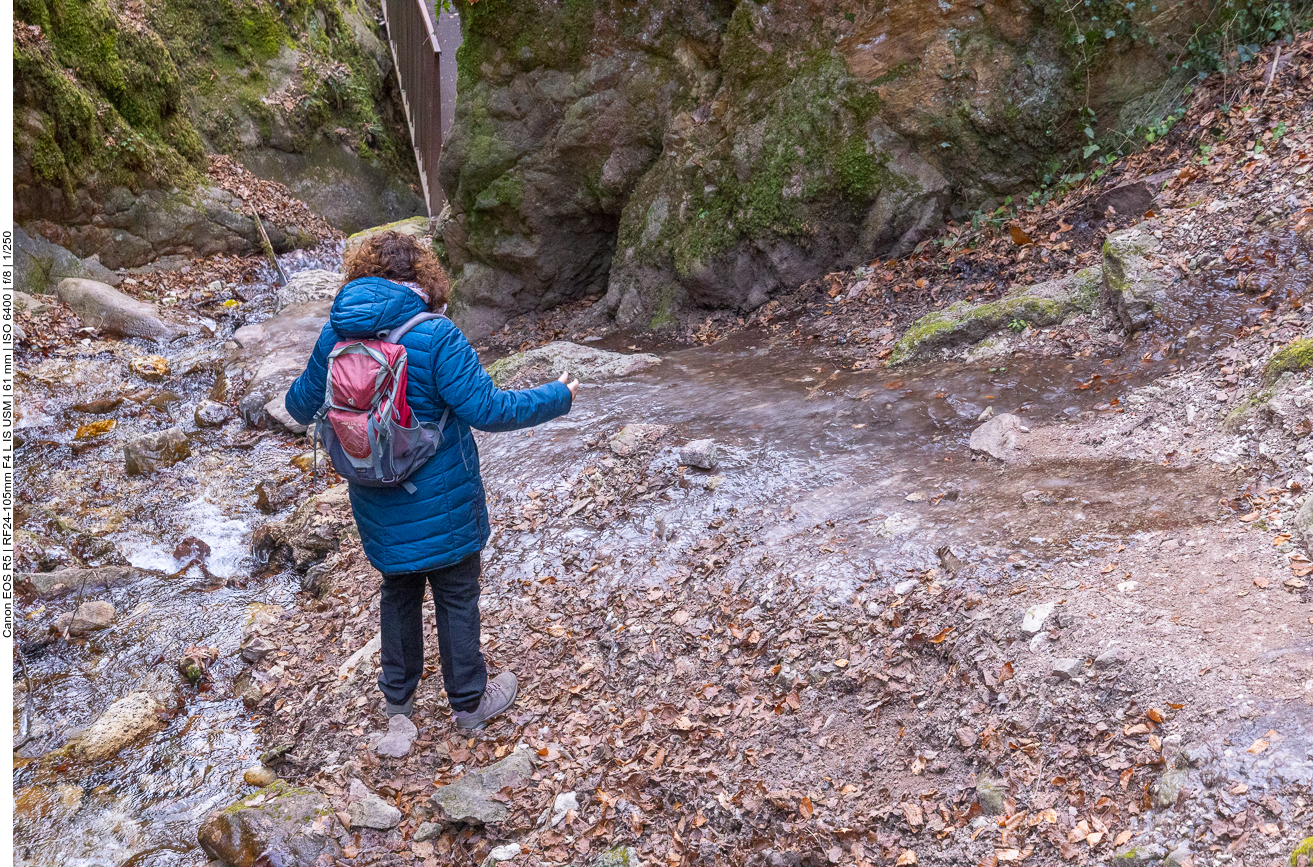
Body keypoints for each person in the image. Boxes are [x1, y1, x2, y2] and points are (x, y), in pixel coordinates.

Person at [284, 231, 578, 731]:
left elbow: (297, 407)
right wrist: (558, 395)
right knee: (456, 593)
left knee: (398, 591)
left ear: (362, 275)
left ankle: (398, 707)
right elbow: (489, 410)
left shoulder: (335, 336)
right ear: (422, 276)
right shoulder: (436, 334)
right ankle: (468, 705)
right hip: (443, 495)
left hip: (374, 492)